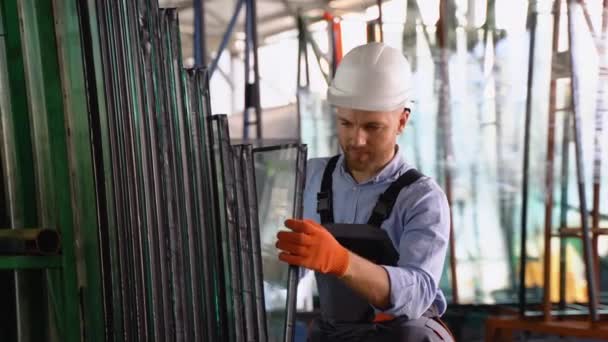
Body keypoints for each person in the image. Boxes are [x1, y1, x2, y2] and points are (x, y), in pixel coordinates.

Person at [275, 42, 454, 342]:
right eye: (346, 123)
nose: (356, 139)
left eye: (372, 127)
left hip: (402, 333)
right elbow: (280, 274)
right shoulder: (310, 177)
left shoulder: (422, 198)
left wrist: (341, 261)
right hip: (336, 331)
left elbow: (418, 293)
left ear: (402, 121)